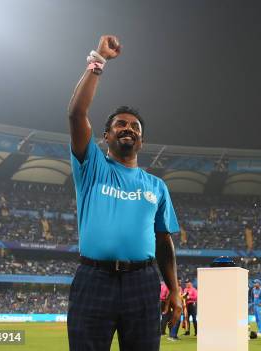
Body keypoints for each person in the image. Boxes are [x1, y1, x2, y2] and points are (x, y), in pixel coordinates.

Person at [67, 35, 182, 351]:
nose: (128, 128)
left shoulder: (156, 186)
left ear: (141, 141)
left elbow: (163, 241)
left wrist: (173, 290)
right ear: (105, 135)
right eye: (120, 124)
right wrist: (98, 62)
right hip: (93, 279)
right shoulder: (91, 166)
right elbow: (77, 114)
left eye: (135, 127)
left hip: (142, 283)